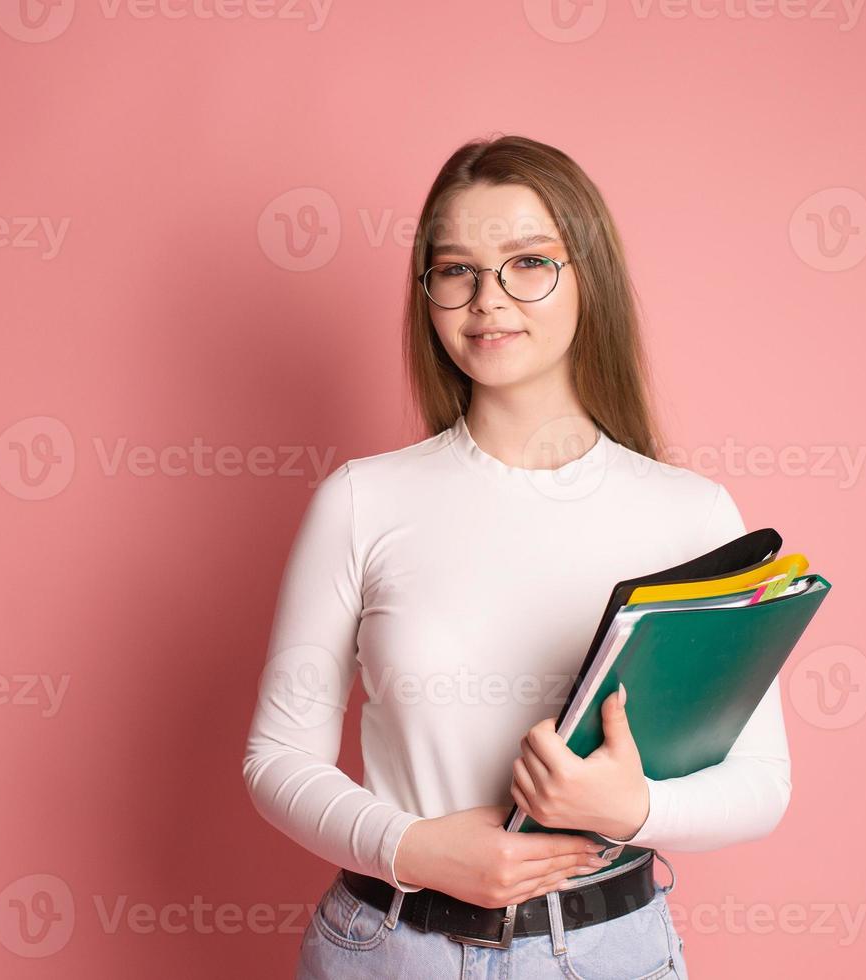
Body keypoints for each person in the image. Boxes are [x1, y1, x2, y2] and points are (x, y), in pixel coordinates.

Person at [242, 134, 792, 979]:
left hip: (609, 953)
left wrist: (631, 806)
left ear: (588, 278)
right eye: (455, 270)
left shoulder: (691, 514)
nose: (487, 300)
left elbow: (760, 787)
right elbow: (276, 759)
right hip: (391, 951)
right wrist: (414, 848)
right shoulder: (362, 500)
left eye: (528, 262)